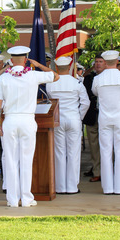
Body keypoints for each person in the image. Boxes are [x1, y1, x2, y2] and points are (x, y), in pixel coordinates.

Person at [0, 46, 59, 207]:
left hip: (9, 119)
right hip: (28, 120)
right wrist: (38, 64)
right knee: (26, 160)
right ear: (25, 59)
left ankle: (13, 199)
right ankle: (27, 198)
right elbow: (56, 76)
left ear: (11, 60)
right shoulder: (33, 75)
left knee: (10, 160)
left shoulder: (4, 78)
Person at [91, 50, 120, 195]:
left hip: (105, 118)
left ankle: (108, 187)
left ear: (105, 61)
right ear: (117, 62)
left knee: (105, 151)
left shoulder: (98, 79)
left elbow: (95, 93)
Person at [45, 56, 89, 194]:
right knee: (73, 153)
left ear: (56, 67)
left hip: (58, 120)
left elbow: (50, 102)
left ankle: (60, 186)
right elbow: (86, 102)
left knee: (59, 153)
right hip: (73, 119)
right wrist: (78, 116)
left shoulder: (51, 84)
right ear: (70, 66)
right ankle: (72, 187)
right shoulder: (77, 83)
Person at [82, 55, 105, 183]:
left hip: (106, 114)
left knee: (107, 144)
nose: (98, 64)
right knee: (94, 145)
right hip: (92, 115)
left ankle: (107, 170)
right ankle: (97, 171)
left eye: (101, 62)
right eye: (96, 62)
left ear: (106, 64)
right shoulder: (88, 78)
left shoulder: (108, 78)